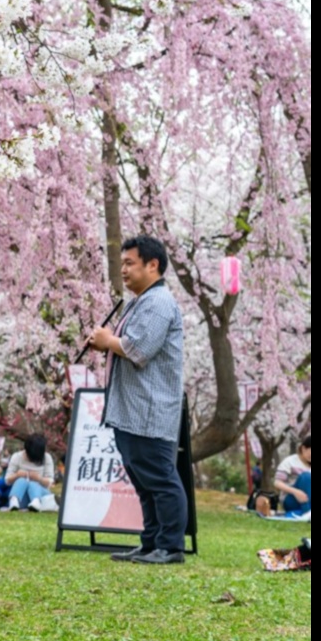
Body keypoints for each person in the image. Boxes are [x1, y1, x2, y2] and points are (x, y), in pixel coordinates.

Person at [86, 235, 189, 565]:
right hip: (133, 410)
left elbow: (140, 350)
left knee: (160, 478)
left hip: (150, 410)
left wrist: (108, 340)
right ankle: (151, 543)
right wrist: (107, 342)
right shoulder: (139, 301)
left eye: (130, 263)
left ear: (152, 265)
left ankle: (170, 547)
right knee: (144, 482)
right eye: (123, 263)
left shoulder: (159, 302)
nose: (124, 270)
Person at [5, 434, 59, 512]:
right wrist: (17, 475)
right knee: (21, 480)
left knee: (33, 483)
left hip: (42, 495)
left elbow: (50, 482)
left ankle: (36, 501)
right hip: (23, 497)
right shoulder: (17, 457)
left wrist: (39, 478)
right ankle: (14, 501)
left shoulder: (47, 458)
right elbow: (7, 481)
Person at [271, 436, 311, 516]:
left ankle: (303, 513)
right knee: (306, 477)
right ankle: (307, 513)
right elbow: (277, 483)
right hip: (291, 499)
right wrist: (295, 492)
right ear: (303, 449)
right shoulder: (290, 461)